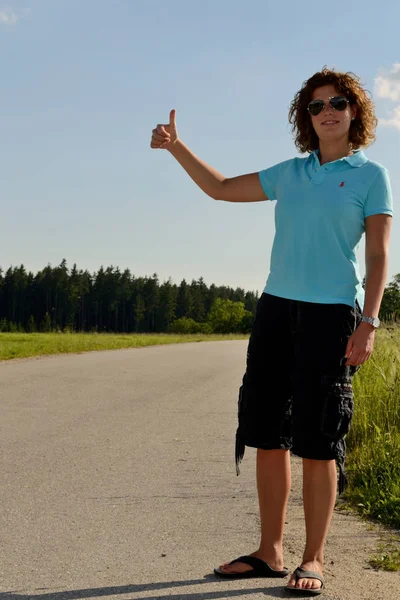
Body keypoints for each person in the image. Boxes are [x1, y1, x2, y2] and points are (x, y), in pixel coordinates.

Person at [150, 67, 393, 596]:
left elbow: (377, 255)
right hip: (276, 311)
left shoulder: (372, 176)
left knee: (319, 438)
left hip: (332, 315)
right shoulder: (291, 172)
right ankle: (270, 551)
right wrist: (177, 147)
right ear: (306, 118)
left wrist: (369, 321)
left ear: (354, 111)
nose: (326, 110)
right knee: (265, 431)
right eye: (315, 105)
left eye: (338, 102)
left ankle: (314, 558)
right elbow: (218, 189)